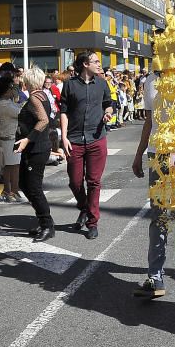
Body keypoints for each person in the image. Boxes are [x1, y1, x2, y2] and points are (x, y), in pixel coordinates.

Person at [132, 65, 175, 298]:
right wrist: (139, 154)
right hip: (158, 153)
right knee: (158, 213)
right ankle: (155, 276)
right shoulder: (150, 80)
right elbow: (150, 121)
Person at [59, 51, 113, 240]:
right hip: (74, 140)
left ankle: (92, 222)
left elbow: (109, 103)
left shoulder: (102, 83)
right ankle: (84, 207)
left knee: (94, 182)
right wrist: (64, 137)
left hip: (97, 138)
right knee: (74, 182)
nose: (99, 64)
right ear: (84, 64)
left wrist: (107, 112)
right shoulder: (70, 85)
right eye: (95, 61)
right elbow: (63, 111)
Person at [15, 67, 54, 241]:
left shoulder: (34, 97)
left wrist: (27, 139)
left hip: (37, 148)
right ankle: (42, 218)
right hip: (37, 147)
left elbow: (44, 120)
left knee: (34, 187)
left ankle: (47, 225)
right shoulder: (43, 94)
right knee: (23, 183)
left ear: (29, 81)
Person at [0, 76, 23, 203]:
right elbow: (20, 112)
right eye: (12, 88)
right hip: (8, 138)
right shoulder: (3, 105)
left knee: (14, 165)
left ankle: (13, 190)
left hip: (12, 137)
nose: (14, 90)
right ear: (6, 91)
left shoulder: (8, 102)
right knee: (10, 166)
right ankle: (9, 190)